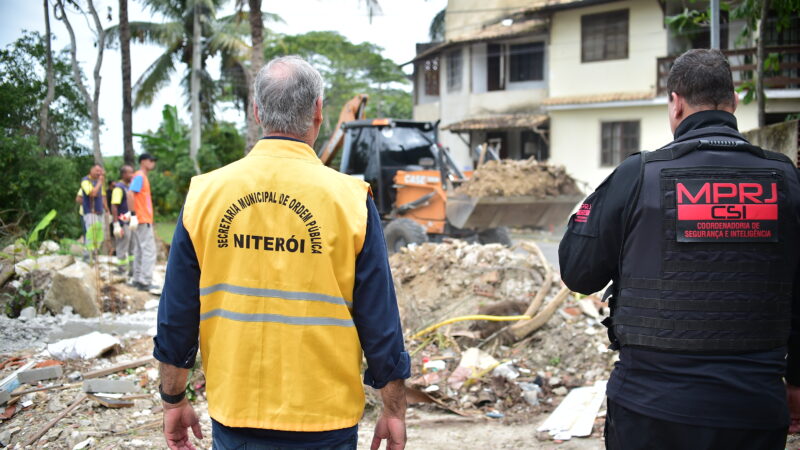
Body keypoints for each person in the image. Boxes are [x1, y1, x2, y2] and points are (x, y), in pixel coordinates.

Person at [153, 55, 410, 450]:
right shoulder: (351, 201)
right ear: (318, 112)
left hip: (237, 413)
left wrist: (173, 399)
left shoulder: (205, 195)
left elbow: (177, 315)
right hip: (325, 418)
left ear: (257, 113)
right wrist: (393, 410)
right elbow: (381, 323)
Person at [559, 48, 800, 449]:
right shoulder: (785, 180)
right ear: (735, 101)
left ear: (675, 103)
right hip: (754, 407)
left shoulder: (638, 174)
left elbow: (579, 273)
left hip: (650, 411)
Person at [130, 153, 157, 291]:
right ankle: (145, 281)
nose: (153, 163)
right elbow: (130, 193)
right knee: (148, 251)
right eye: (151, 160)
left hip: (140, 219)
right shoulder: (140, 176)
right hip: (142, 218)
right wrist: (133, 214)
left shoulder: (140, 176)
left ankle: (137, 279)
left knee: (139, 250)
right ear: (143, 161)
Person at [111, 165, 135, 271]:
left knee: (132, 247)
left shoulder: (129, 187)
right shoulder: (118, 188)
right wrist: (116, 224)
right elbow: (114, 206)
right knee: (122, 246)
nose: (132, 175)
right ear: (123, 174)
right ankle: (121, 269)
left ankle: (132, 269)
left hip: (130, 222)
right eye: (130, 172)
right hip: (122, 223)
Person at [80, 164, 108, 248]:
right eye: (97, 171)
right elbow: (92, 194)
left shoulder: (98, 182)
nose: (99, 173)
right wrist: (99, 182)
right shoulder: (85, 181)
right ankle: (88, 257)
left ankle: (95, 255)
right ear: (91, 170)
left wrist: (107, 210)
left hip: (100, 212)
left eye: (100, 171)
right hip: (90, 212)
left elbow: (102, 196)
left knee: (99, 236)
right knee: (91, 236)